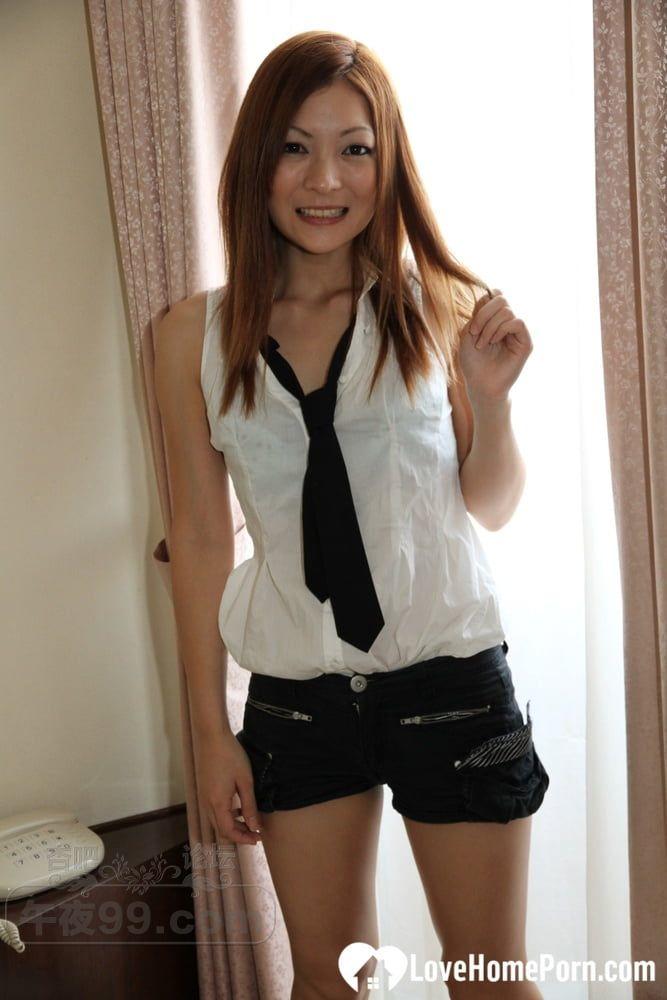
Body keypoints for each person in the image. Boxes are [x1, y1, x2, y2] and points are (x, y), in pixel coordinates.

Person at [155, 29, 549, 1000]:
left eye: (355, 148)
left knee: (490, 983)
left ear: (388, 161)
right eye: (295, 146)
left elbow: (492, 505)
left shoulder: (440, 305)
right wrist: (209, 732)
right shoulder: (187, 338)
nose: (325, 178)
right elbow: (199, 538)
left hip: (450, 686)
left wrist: (489, 402)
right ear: (257, 161)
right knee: (328, 986)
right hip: (298, 702)